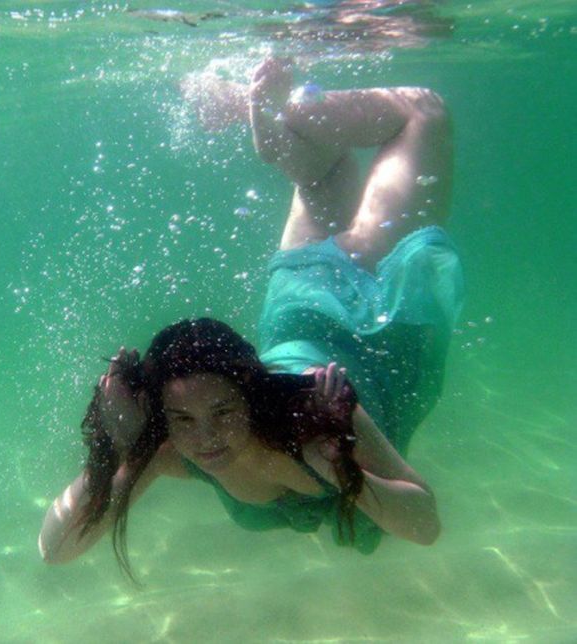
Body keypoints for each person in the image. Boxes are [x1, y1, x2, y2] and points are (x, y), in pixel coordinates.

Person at [38, 58, 463, 578]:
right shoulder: (175, 445)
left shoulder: (316, 410)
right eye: (184, 421)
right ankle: (264, 108)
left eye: (223, 412)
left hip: (366, 313)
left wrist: (338, 463)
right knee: (326, 168)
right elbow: (55, 548)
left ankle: (269, 108)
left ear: (252, 389)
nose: (207, 439)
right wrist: (113, 446)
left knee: (423, 112)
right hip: (297, 308)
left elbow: (425, 525)